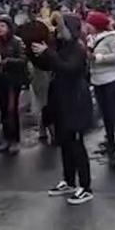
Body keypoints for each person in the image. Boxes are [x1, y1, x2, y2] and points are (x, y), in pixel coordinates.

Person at [33, 13, 95, 205]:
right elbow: (48, 65)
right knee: (65, 143)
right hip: (60, 100)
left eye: (61, 26)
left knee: (77, 145)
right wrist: (37, 53)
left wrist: (49, 54)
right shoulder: (59, 46)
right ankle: (69, 181)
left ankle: (85, 186)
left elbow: (69, 69)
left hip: (75, 100)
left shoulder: (77, 48)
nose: (58, 30)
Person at [86, 10, 115, 159]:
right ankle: (110, 142)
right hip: (97, 79)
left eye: (90, 23)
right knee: (104, 113)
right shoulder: (91, 38)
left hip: (112, 78)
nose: (87, 26)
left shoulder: (112, 37)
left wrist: (98, 58)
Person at [0, 15, 28, 155]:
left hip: (13, 81)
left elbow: (23, 60)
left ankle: (15, 140)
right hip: (0, 81)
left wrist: (7, 61)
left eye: (3, 26)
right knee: (4, 110)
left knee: (12, 110)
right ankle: (6, 138)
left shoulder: (17, 42)